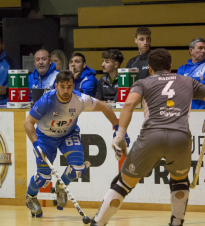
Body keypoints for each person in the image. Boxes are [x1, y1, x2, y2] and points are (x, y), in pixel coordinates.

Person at [79, 48, 205, 226]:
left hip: (151, 137)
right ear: (171, 66)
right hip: (180, 138)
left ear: (150, 68)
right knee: (180, 181)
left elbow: (129, 104)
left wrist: (120, 134)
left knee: (122, 184)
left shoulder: (144, 82)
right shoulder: (188, 81)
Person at [24, 70, 130, 217]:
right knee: (43, 177)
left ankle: (61, 187)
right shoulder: (46, 101)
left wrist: (118, 130)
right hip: (45, 138)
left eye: (69, 86)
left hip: (68, 134)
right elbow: (28, 123)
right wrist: (36, 144)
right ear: (56, 86)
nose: (66, 90)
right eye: (62, 87)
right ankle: (31, 197)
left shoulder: (80, 99)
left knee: (79, 169)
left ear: (73, 85)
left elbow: (105, 107)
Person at [177, 38, 205, 109]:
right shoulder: (182, 69)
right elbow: (177, 88)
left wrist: (185, 83)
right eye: (200, 48)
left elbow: (204, 88)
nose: (203, 51)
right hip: (185, 112)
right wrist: (199, 78)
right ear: (191, 51)